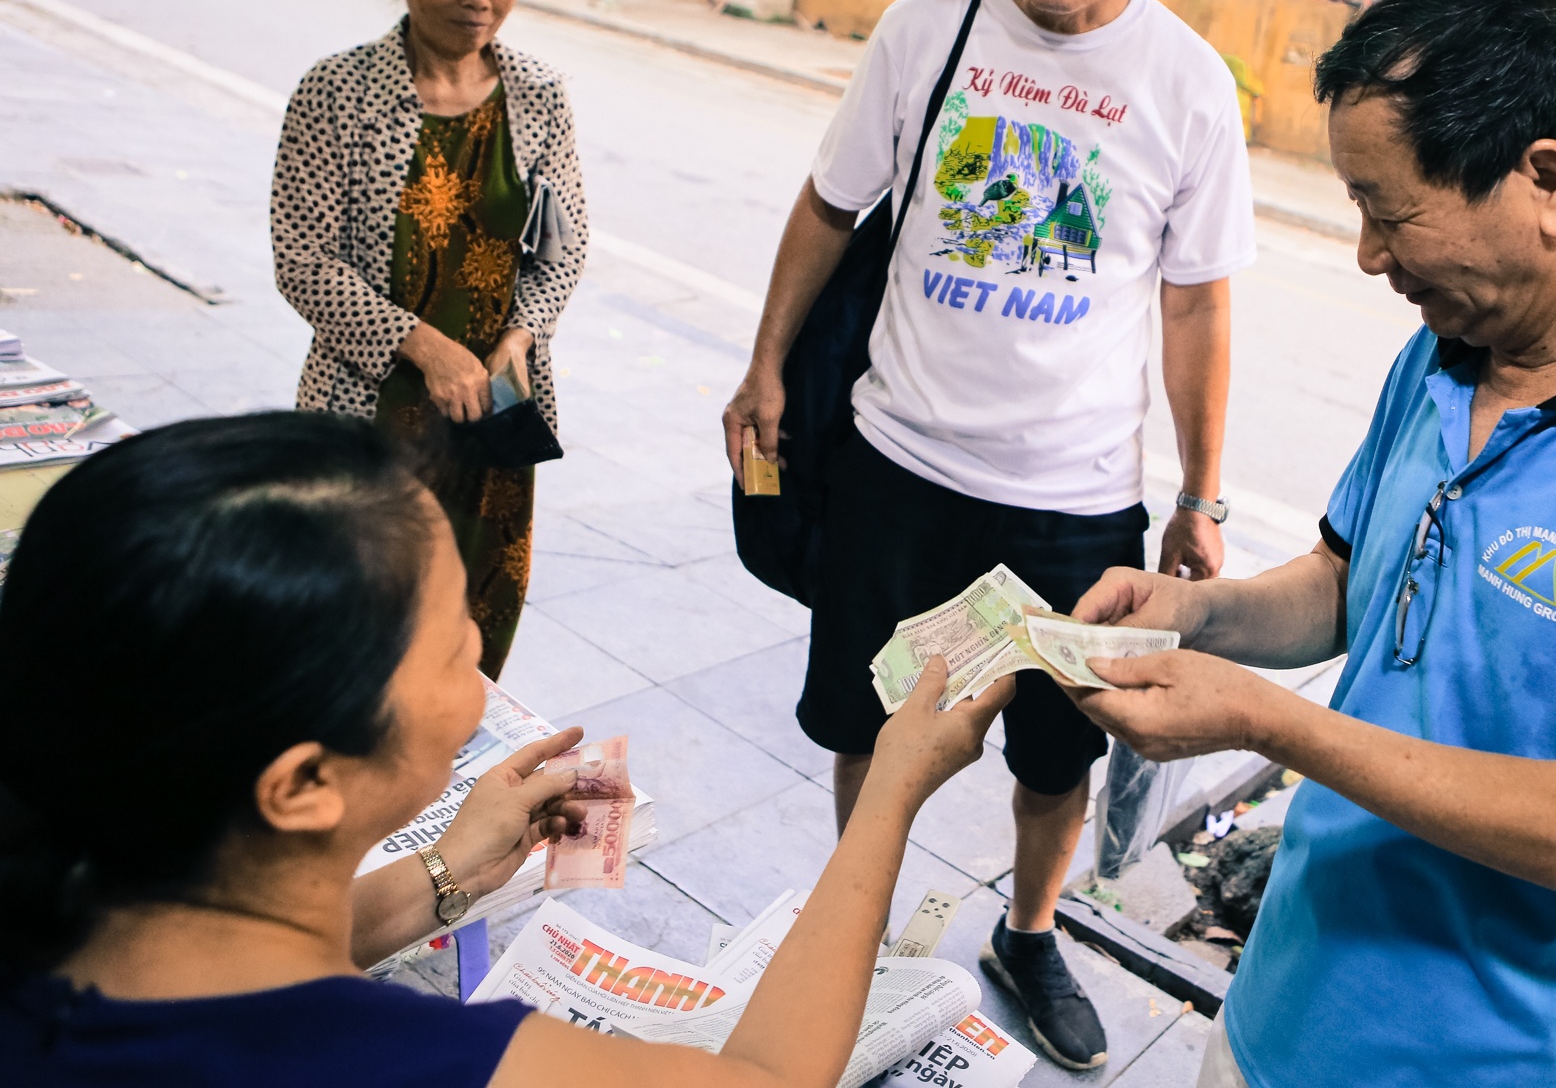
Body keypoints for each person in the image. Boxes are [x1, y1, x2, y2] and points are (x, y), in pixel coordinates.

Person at [1065, 0, 1556, 1088]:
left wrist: (1267, 724)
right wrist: (1198, 615)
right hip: (1283, 1007)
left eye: (1390, 212)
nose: (1369, 256)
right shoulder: (1440, 358)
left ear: (1545, 180)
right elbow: (1351, 582)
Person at [721, 0, 1255, 1071]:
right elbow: (828, 209)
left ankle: (1027, 930)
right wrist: (766, 362)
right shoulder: (927, 31)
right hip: (898, 460)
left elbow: (1196, 306)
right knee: (868, 718)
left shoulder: (1188, 84)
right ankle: (869, 924)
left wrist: (1200, 493)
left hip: (1077, 497)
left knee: (1058, 752)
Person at [0, 411, 1009, 1087]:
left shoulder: (66, 921)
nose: (480, 657)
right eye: (448, 644)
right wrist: (890, 790)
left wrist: (444, 873)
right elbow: (769, 1078)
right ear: (305, 783)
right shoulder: (394, 1064)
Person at [271, 0, 588, 680]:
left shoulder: (540, 95)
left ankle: (449, 799)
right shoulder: (336, 93)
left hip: (494, 422)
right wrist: (426, 345)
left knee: (468, 631)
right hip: (368, 415)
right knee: (358, 624)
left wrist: (522, 333)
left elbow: (567, 243)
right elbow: (303, 261)